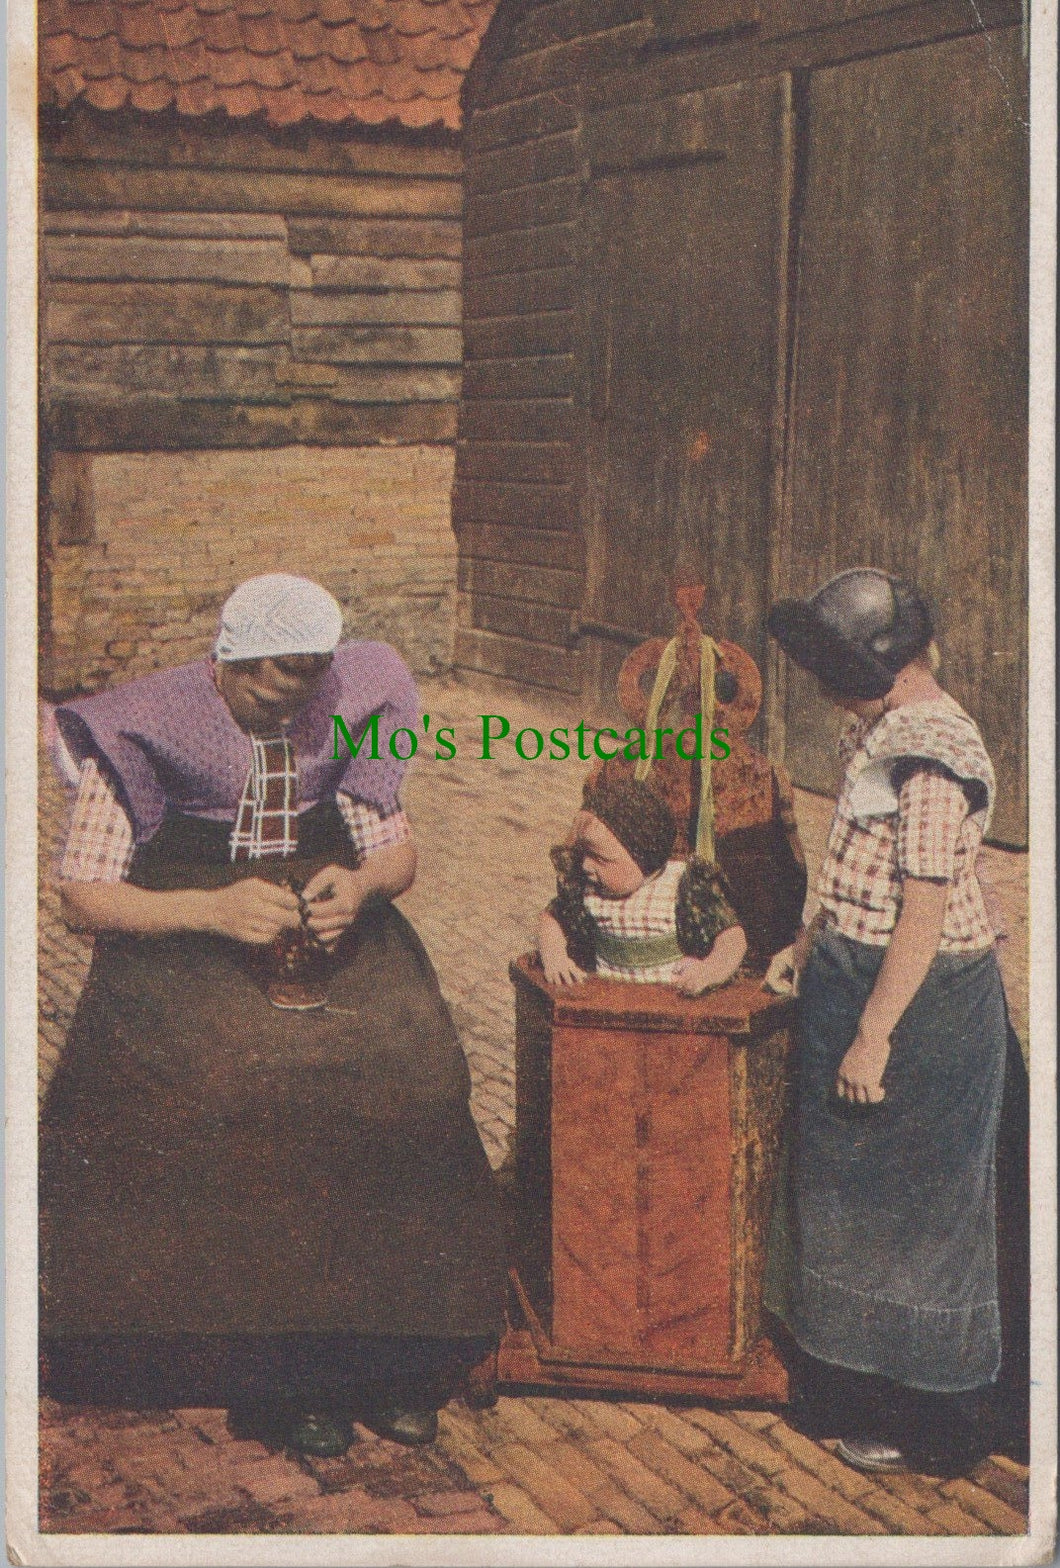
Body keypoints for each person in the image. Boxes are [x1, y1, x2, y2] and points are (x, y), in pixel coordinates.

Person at [40, 573, 506, 1456]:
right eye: (263, 685)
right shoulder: (142, 721)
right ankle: (281, 1376)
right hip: (183, 930)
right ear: (225, 659)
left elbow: (395, 852)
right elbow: (82, 898)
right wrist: (208, 911)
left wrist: (363, 888)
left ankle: (391, 1353)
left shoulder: (358, 697)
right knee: (254, 1088)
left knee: (414, 1072)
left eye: (302, 685)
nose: (280, 705)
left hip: (319, 915)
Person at [763, 567, 1029, 1474]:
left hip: (920, 1005)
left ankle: (936, 1423)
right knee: (854, 1200)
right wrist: (806, 945)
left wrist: (875, 1034)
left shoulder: (933, 753)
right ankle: (855, 1384)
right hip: (854, 973)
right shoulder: (877, 730)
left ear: (882, 662)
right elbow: (849, 867)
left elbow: (923, 908)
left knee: (921, 1216)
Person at [539, 770, 747, 993]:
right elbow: (551, 919)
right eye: (584, 854)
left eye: (599, 858)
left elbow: (732, 937)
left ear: (643, 858)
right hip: (607, 998)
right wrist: (555, 958)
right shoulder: (589, 891)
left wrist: (711, 969)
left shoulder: (682, 886)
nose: (586, 866)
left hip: (670, 1000)